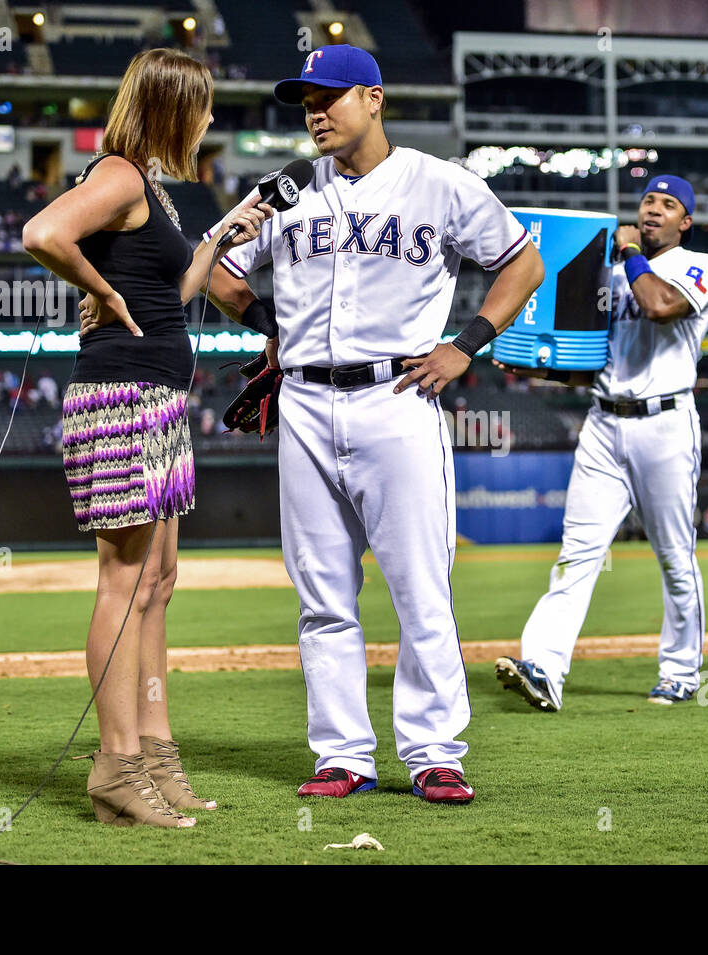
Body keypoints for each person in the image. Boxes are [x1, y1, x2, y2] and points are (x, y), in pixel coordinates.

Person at [205, 45, 544, 803]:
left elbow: (523, 264)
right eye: (306, 103)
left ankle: (434, 753)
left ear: (374, 98)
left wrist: (466, 345)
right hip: (303, 402)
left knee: (421, 588)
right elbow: (218, 271)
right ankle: (342, 756)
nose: (315, 114)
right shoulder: (286, 189)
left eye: (328, 97)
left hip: (398, 395)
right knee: (322, 596)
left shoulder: (441, 183)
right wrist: (270, 325)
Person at [23, 48, 272, 826]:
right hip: (120, 395)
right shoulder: (119, 176)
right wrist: (100, 290)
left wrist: (220, 236)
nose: (209, 119)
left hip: (158, 397)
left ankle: (157, 757)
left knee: (158, 581)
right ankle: (116, 767)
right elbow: (43, 232)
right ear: (172, 107)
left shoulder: (151, 189)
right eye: (202, 106)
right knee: (125, 582)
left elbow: (175, 289)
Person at [493, 174, 708, 710]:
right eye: (649, 201)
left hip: (665, 424)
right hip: (602, 423)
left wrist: (629, 252)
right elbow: (590, 365)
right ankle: (544, 669)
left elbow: (660, 305)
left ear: (686, 222)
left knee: (675, 557)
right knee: (577, 553)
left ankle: (681, 671)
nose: (654, 210)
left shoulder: (697, 265)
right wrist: (533, 368)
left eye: (668, 205)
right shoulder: (614, 276)